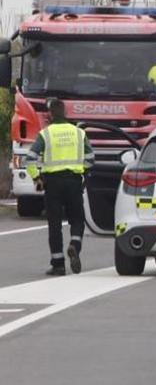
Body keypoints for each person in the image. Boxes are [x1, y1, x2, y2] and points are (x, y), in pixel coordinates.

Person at [25, 99, 95, 275]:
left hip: (53, 183)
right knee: (77, 219)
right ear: (65, 112)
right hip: (73, 181)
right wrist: (83, 172)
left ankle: (58, 264)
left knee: (54, 224)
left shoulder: (45, 134)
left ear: (50, 114)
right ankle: (74, 245)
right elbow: (91, 158)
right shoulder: (79, 133)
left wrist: (36, 178)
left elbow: (30, 158)